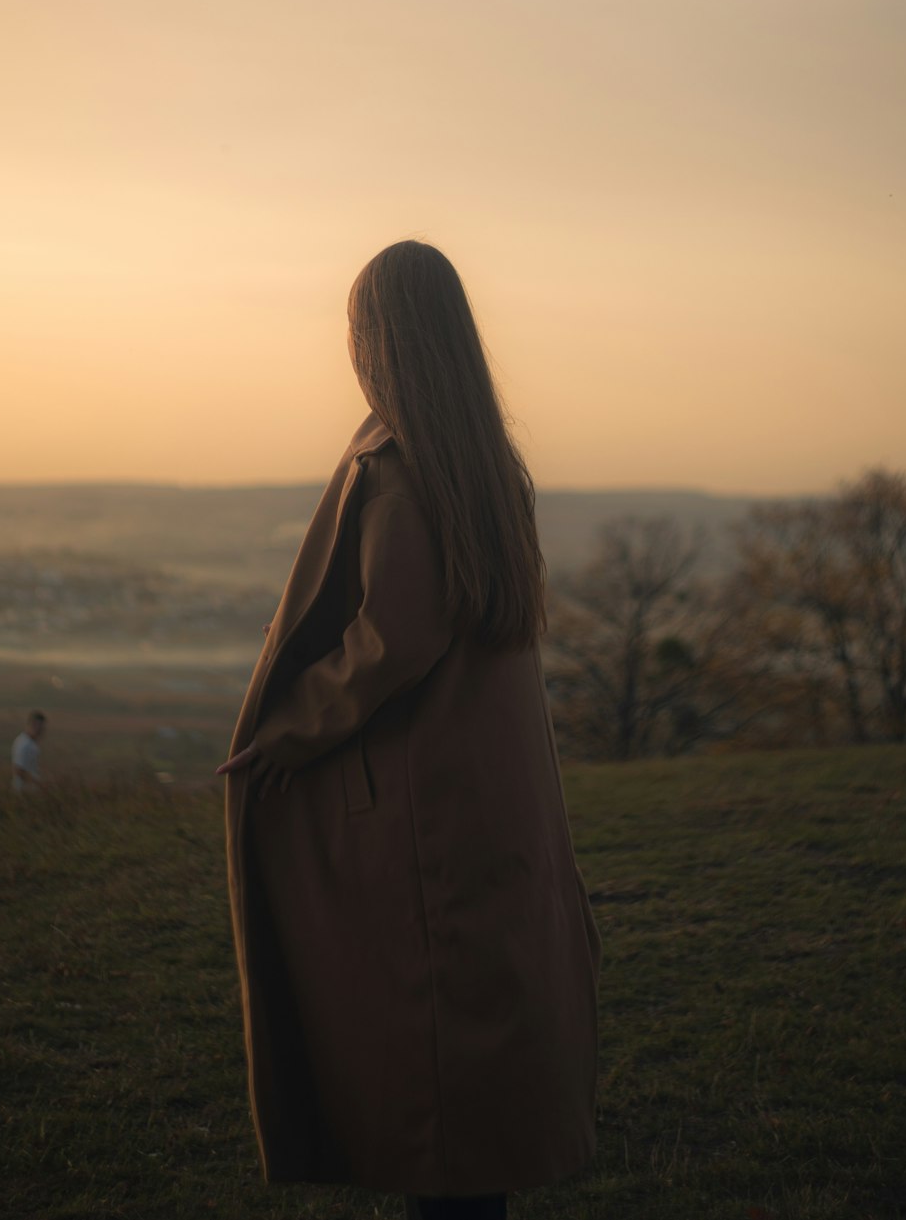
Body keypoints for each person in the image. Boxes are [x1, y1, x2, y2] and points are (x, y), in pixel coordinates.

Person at [218, 241, 602, 1220]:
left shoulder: (401, 468)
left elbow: (390, 636)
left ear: (384, 340)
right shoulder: (483, 463)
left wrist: (287, 729)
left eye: (358, 329)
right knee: (480, 1076)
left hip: (431, 816)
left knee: (444, 1091)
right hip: (488, 808)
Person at [11, 710, 46, 796]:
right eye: (36, 726)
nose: (39, 730)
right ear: (30, 725)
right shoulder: (23, 743)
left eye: (41, 727)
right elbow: (18, 770)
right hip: (23, 792)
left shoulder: (31, 743)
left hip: (30, 792)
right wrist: (37, 782)